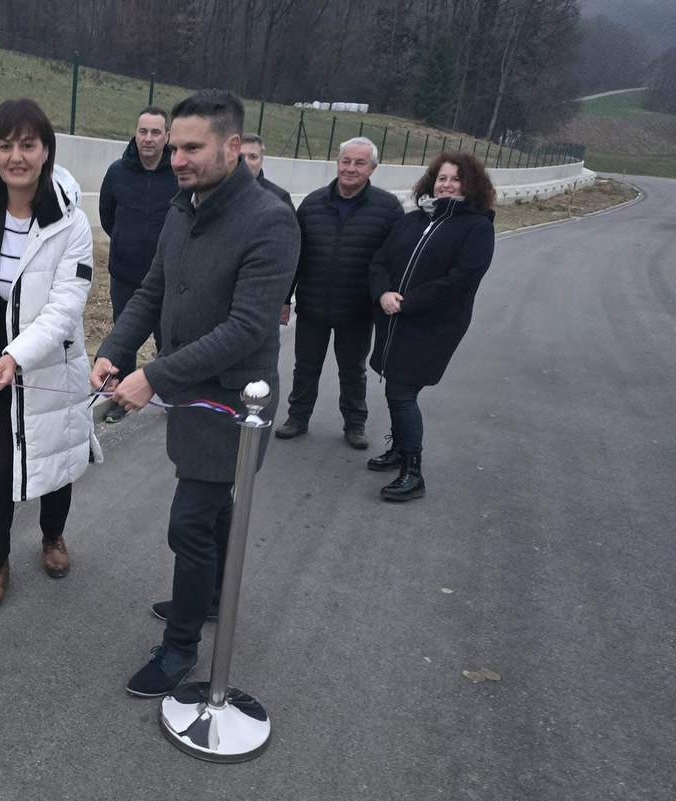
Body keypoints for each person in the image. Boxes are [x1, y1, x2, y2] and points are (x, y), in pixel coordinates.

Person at [92, 90, 298, 697]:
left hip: (233, 403)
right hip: (188, 392)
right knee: (214, 514)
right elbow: (153, 288)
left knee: (190, 522)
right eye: (173, 146)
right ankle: (207, 595)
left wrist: (154, 376)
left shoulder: (270, 221)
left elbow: (246, 328)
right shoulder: (183, 207)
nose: (177, 159)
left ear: (232, 147)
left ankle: (181, 647)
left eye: (191, 147)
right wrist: (115, 348)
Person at [0, 98, 101, 612]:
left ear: (46, 151)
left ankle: (53, 536)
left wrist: (17, 355)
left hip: (46, 368)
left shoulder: (71, 223)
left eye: (28, 145)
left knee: (53, 460)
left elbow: (65, 307)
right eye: (6, 145)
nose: (17, 156)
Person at [368, 152, 497, 501]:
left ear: (470, 185)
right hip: (393, 316)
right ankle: (399, 450)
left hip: (432, 324)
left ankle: (413, 472)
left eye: (455, 179)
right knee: (396, 386)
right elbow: (379, 260)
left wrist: (407, 302)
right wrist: (382, 292)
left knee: (402, 391)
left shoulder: (477, 227)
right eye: (442, 178)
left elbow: (461, 280)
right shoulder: (412, 220)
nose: (447, 185)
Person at [275, 137, 404, 449]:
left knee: (353, 370)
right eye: (346, 161)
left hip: (357, 310)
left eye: (359, 163)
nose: (350, 168)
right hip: (312, 305)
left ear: (372, 168)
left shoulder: (388, 210)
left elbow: (394, 261)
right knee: (305, 366)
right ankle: (298, 417)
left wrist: (386, 296)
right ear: (337, 163)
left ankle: (355, 424)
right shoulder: (313, 204)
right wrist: (284, 298)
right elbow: (296, 255)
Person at [98, 107, 180, 423]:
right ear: (136, 134)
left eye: (156, 132)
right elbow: (108, 216)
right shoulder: (117, 172)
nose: (148, 138)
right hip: (126, 276)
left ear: (167, 137)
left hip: (168, 277)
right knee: (125, 340)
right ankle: (122, 398)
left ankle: (169, 395)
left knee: (168, 339)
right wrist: (124, 240)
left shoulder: (177, 173)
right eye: (143, 131)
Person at [239, 133, 294, 210]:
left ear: (261, 160)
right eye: (240, 156)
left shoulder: (280, 198)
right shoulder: (219, 191)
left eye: (253, 157)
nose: (246, 162)